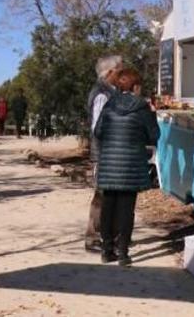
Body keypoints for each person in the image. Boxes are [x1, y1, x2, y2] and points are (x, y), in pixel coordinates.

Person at [94, 67, 160, 266]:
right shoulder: (141, 108)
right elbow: (154, 135)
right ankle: (122, 253)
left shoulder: (109, 105)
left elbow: (98, 131)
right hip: (131, 165)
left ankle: (106, 251)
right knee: (126, 209)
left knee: (108, 207)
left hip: (109, 164)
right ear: (136, 86)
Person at [84, 54, 123, 252]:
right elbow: (98, 128)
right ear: (109, 72)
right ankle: (93, 238)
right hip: (105, 154)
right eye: (119, 70)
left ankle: (108, 236)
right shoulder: (102, 94)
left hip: (110, 153)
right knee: (102, 196)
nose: (122, 74)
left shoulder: (112, 92)